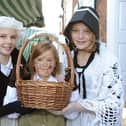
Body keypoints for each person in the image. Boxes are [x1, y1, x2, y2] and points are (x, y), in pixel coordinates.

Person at [54, 6, 124, 126]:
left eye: (86, 31)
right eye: (75, 30)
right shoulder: (68, 57)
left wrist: (79, 106)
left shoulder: (108, 61)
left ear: (94, 33)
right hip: (73, 121)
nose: (80, 36)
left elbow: (114, 104)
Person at [18, 41, 65, 126]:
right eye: (40, 59)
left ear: (55, 63)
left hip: (55, 121)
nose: (45, 64)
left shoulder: (59, 84)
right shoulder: (27, 83)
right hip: (29, 121)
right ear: (33, 63)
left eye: (49, 60)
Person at [0, 16, 32, 126]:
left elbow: (27, 83)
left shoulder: (18, 56)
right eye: (3, 36)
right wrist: (10, 108)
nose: (8, 41)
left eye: (13, 37)